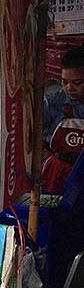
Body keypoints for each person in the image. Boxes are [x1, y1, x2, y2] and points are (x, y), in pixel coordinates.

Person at [42, 46, 84, 194]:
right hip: (58, 173)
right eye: (64, 82)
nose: (69, 88)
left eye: (77, 83)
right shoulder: (53, 103)